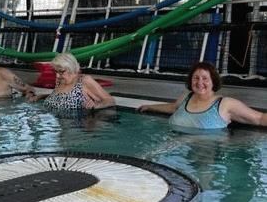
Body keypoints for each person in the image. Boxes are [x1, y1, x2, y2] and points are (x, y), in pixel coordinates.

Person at [138, 61, 267, 129]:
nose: (200, 83)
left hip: (204, 155)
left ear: (213, 81)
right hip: (176, 149)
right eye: (196, 78)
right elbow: (173, 107)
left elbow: (259, 118)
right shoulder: (186, 97)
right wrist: (150, 107)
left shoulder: (225, 104)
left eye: (205, 78)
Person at [30, 53, 115, 111]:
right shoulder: (60, 81)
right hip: (56, 125)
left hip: (76, 127)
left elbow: (110, 101)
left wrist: (96, 106)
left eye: (61, 71)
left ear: (71, 68)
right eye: (55, 71)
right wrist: (41, 96)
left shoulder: (84, 81)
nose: (57, 76)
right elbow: (60, 97)